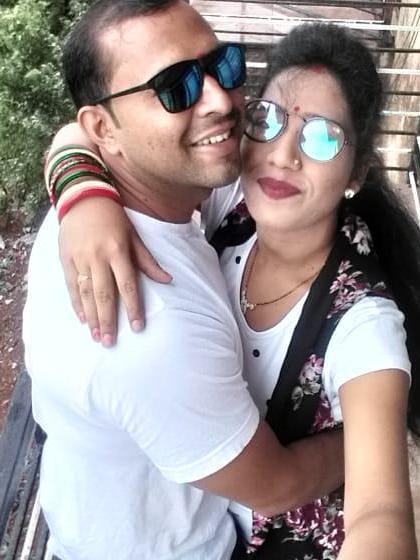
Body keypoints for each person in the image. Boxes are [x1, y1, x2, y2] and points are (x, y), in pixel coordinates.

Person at [48, 19, 420, 560]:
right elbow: (86, 130)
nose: (283, 155)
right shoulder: (233, 206)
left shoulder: (364, 324)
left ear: (357, 173)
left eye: (321, 138)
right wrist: (82, 193)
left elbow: (380, 514)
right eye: (268, 120)